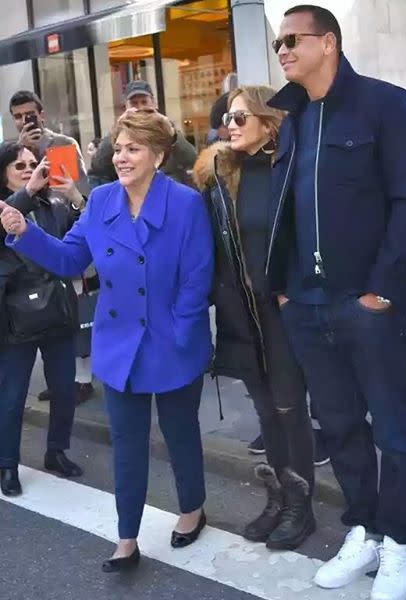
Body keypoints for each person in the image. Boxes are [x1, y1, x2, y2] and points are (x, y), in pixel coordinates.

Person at [1, 109, 213, 571]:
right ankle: (127, 537)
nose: (120, 156)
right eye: (117, 147)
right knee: (127, 441)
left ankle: (193, 508)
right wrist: (24, 232)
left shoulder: (185, 204)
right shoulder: (100, 203)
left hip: (173, 337)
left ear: (158, 155)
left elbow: (198, 277)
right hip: (120, 342)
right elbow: (70, 257)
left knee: (180, 434)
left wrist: (181, 330)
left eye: (132, 148)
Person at [266, 5, 406, 600]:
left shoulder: (385, 104)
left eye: (292, 39)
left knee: (392, 429)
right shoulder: (293, 119)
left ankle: (402, 541)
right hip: (305, 306)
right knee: (339, 429)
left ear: (327, 43)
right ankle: (364, 527)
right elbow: (285, 209)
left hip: (368, 305)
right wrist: (284, 289)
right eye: (277, 42)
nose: (281, 50)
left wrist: (381, 290)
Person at [194, 85, 325, 550]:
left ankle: (300, 508)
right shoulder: (219, 176)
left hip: (282, 312)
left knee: (290, 411)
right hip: (240, 314)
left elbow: (309, 235)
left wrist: (295, 292)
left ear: (269, 123)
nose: (228, 125)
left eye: (240, 117)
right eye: (227, 117)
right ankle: (278, 498)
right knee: (266, 412)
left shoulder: (287, 170)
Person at [0, 141, 84, 498]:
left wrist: (77, 197)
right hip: (14, 315)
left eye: (33, 163)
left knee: (65, 387)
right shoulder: (13, 203)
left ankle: (57, 451)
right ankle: (7, 464)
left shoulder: (53, 202)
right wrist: (26, 192)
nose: (29, 169)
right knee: (13, 394)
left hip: (58, 310)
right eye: (19, 165)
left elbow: (83, 238)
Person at [89, 80, 197, 186]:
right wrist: (118, 127)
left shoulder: (166, 129)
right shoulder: (121, 131)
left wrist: (171, 131)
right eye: (134, 103)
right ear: (126, 106)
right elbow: (98, 167)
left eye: (144, 102)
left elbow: (192, 159)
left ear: (154, 104)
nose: (140, 108)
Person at [10, 90, 89, 198]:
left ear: (41, 115)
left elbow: (81, 188)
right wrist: (22, 149)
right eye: (18, 116)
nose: (24, 121)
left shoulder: (63, 144)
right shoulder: (11, 152)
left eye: (29, 115)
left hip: (63, 211)